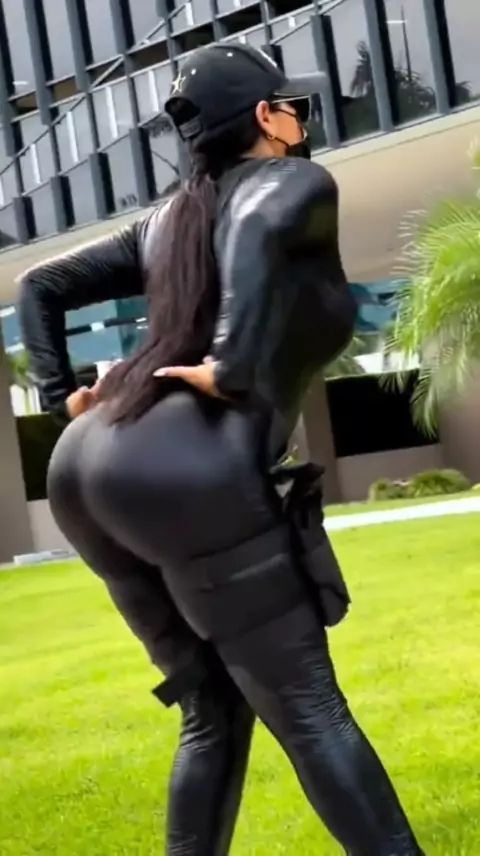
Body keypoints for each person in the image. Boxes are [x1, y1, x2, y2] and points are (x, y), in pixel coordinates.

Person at [18, 43, 425, 856]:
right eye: (292, 106)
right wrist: (234, 362)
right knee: (309, 708)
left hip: (86, 470)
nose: (302, 120)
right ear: (268, 117)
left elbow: (40, 286)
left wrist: (63, 398)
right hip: (182, 468)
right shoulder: (289, 181)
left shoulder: (166, 221)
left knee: (213, 708)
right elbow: (262, 218)